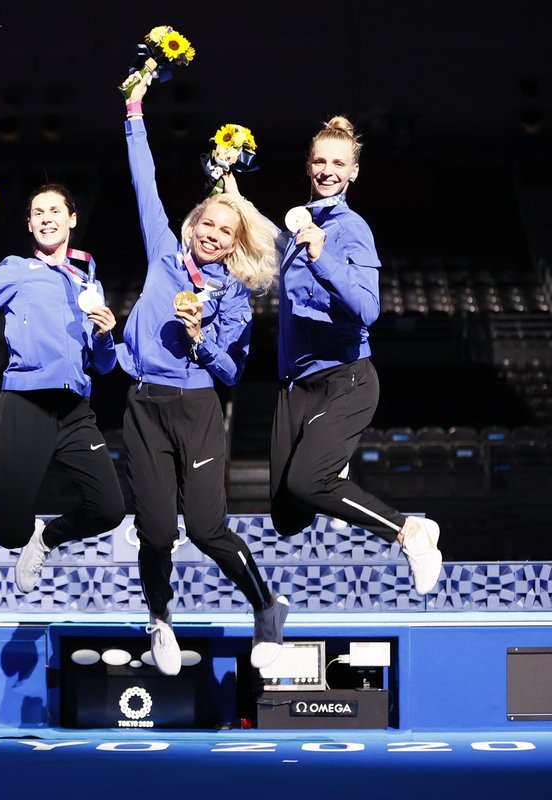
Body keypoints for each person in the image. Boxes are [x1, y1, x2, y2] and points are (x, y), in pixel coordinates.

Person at [120, 75, 287, 677]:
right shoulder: (164, 252)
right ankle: (160, 620)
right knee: (156, 528)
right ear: (192, 225)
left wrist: (200, 340)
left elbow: (233, 372)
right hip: (142, 404)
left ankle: (266, 607)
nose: (212, 234)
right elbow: (145, 181)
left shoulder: (235, 296)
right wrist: (135, 109)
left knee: (206, 526)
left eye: (226, 230)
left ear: (235, 242)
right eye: (206, 223)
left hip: (195, 408)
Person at [270, 115, 443, 595]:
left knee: (309, 483)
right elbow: (267, 236)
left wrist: (321, 257)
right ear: (307, 166)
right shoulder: (299, 224)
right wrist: (229, 188)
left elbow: (368, 309)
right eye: (320, 161)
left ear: (353, 173)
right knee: (287, 517)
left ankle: (411, 532)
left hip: (345, 379)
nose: (327, 170)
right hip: (296, 387)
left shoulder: (350, 229)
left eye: (338, 163)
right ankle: (331, 467)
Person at [0, 184, 126, 592]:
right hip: (26, 402)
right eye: (38, 212)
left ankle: (45, 539)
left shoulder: (86, 280)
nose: (46, 218)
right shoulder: (14, 270)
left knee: (110, 509)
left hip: (76, 408)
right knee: (9, 533)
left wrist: (105, 335)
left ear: (71, 218)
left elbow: (104, 364)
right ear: (29, 224)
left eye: (54, 210)